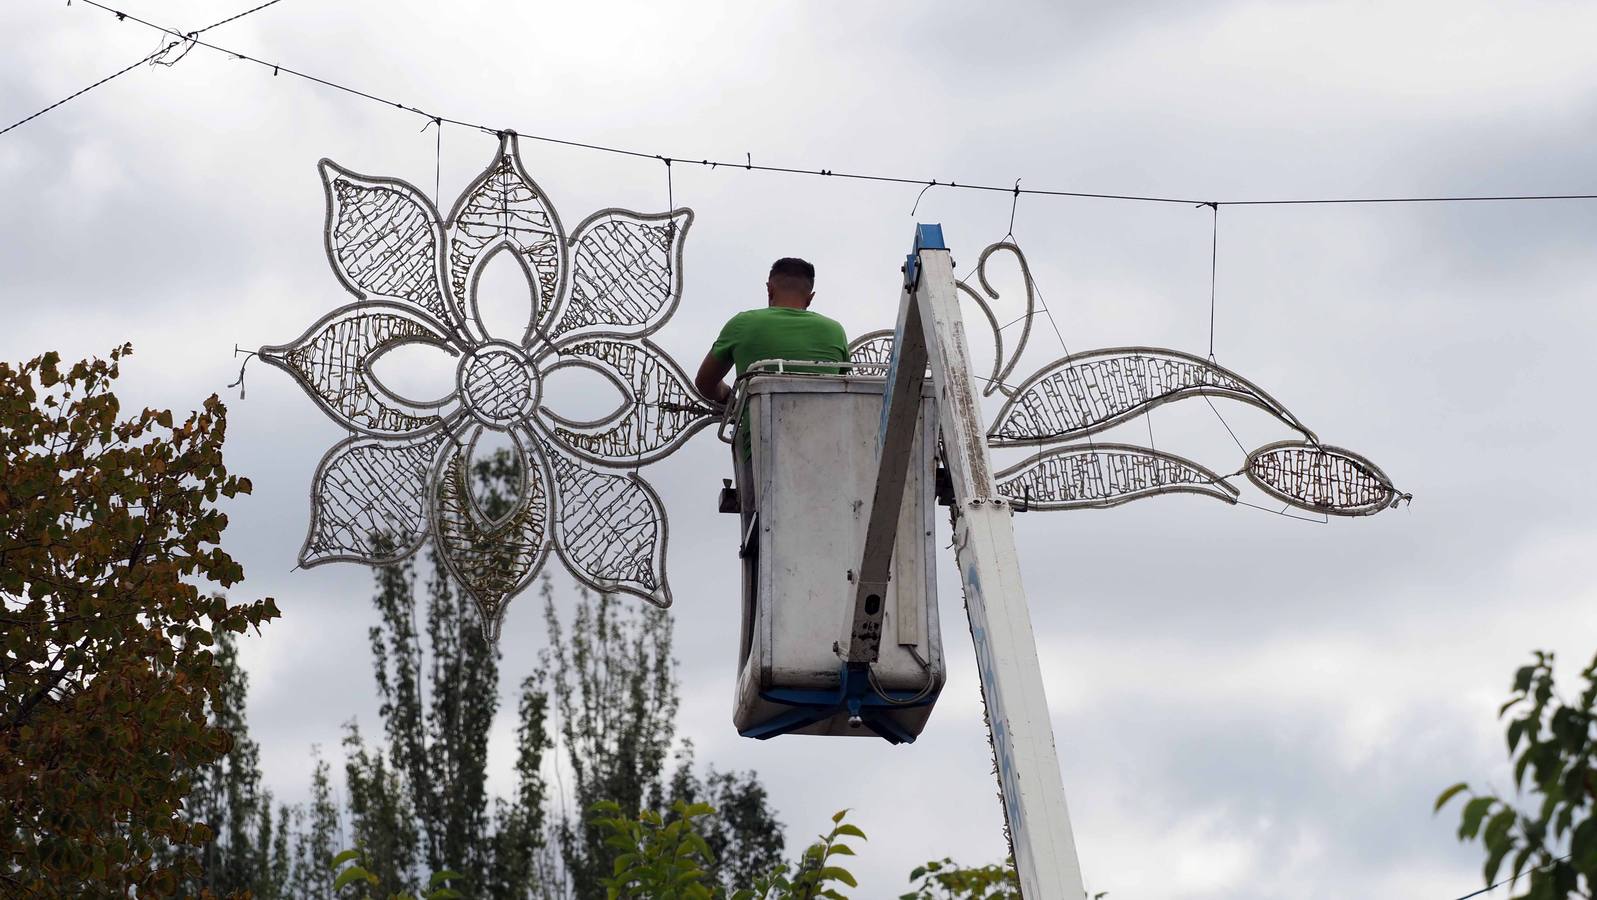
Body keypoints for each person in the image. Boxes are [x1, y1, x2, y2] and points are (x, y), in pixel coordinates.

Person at [693, 257, 849, 409]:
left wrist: (727, 395)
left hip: (759, 434)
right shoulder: (835, 331)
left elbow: (705, 383)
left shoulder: (742, 324)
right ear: (810, 298)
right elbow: (845, 388)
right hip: (827, 433)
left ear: (769, 289)